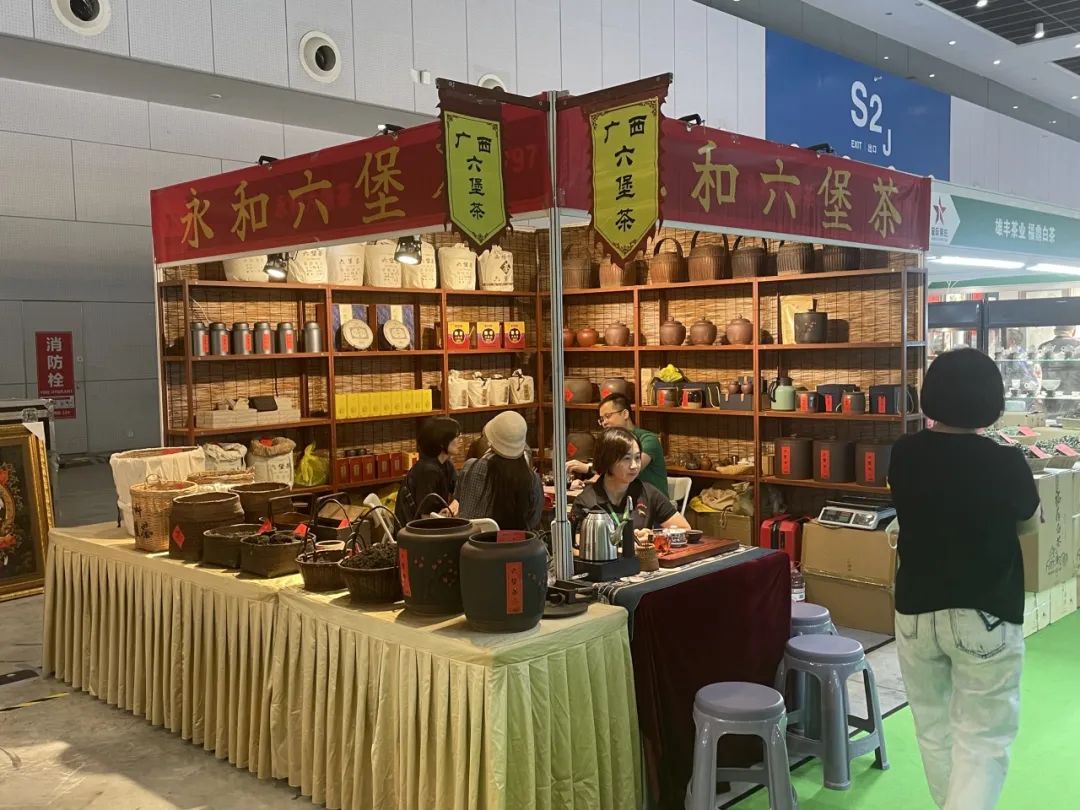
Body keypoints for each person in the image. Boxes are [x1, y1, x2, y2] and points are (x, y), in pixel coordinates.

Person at [888, 348, 1039, 810]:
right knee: (983, 738)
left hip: (915, 610)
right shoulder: (1006, 461)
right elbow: (1029, 524)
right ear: (992, 401)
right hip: (985, 609)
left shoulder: (904, 453)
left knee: (934, 730)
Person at [571, 427, 690, 533]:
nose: (634, 466)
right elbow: (576, 545)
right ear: (607, 460)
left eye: (637, 458)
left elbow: (685, 529)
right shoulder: (586, 501)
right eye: (626, 458)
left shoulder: (648, 493)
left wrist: (652, 536)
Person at [566, 393, 669, 496]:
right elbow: (601, 476)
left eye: (608, 416)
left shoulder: (648, 440)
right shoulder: (611, 443)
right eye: (602, 419)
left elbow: (632, 468)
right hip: (624, 500)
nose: (604, 423)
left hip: (652, 502)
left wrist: (587, 468)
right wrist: (583, 484)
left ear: (625, 414)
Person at [456, 411, 543, 530]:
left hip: (471, 539)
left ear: (489, 440)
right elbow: (534, 521)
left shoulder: (470, 468)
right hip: (518, 541)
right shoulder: (532, 479)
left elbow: (461, 505)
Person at [394, 416, 461, 525]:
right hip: (415, 529)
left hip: (435, 523)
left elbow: (459, 489)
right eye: (456, 436)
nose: (460, 440)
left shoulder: (446, 464)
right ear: (441, 442)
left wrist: (454, 504)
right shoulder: (428, 471)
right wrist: (444, 514)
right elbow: (425, 517)